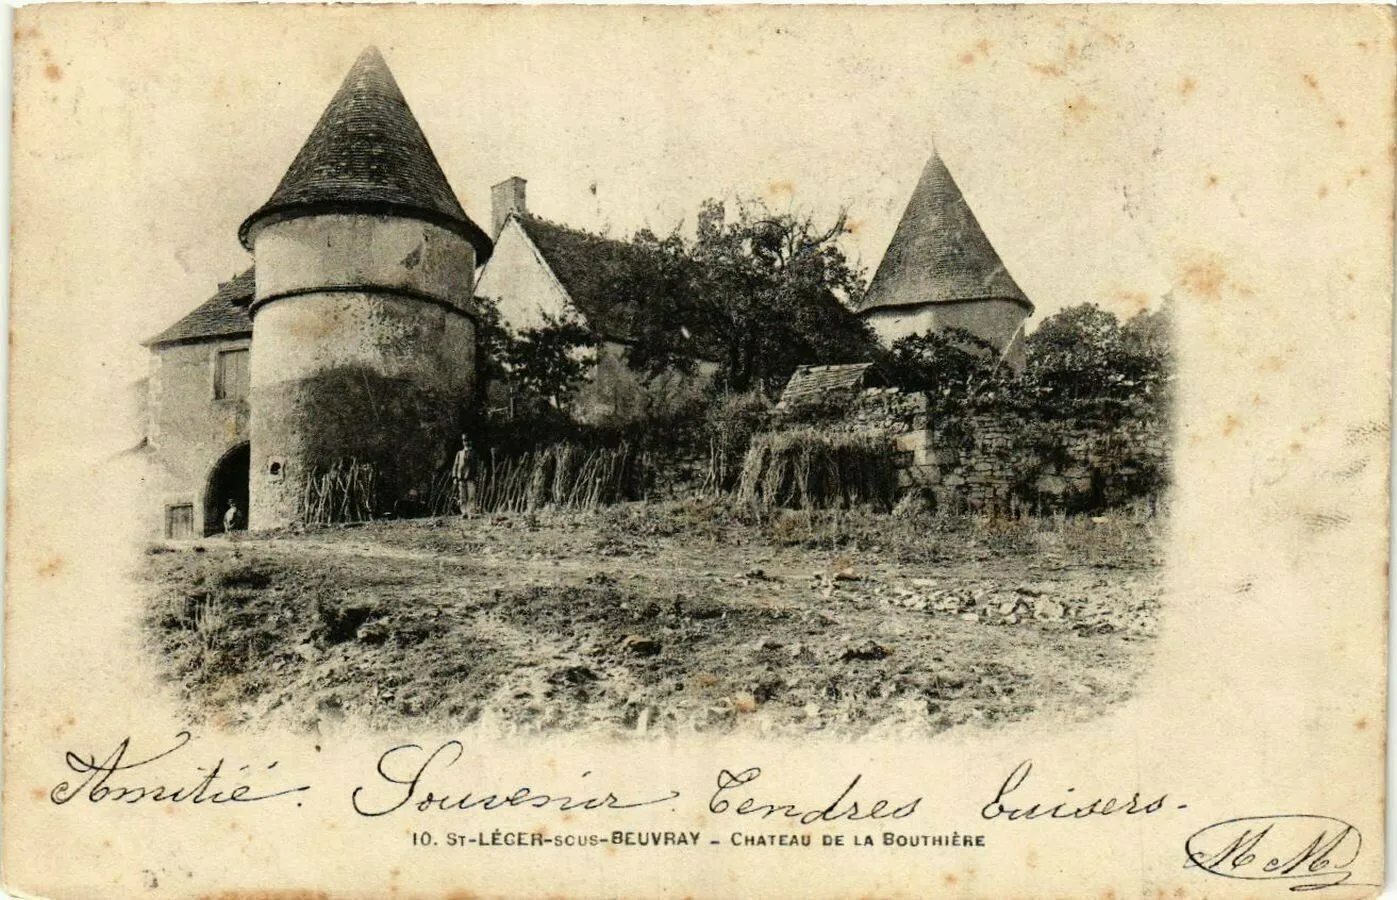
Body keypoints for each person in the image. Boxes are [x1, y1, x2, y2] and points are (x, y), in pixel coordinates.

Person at [452, 435, 477, 519]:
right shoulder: (459, 453)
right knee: (462, 496)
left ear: (471, 442)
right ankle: (464, 512)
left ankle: (471, 513)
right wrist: (455, 477)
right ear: (463, 442)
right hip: (461, 478)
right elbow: (455, 465)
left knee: (471, 496)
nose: (466, 442)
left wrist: (477, 475)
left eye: (468, 441)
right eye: (465, 441)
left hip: (471, 477)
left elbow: (477, 465)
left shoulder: (474, 453)